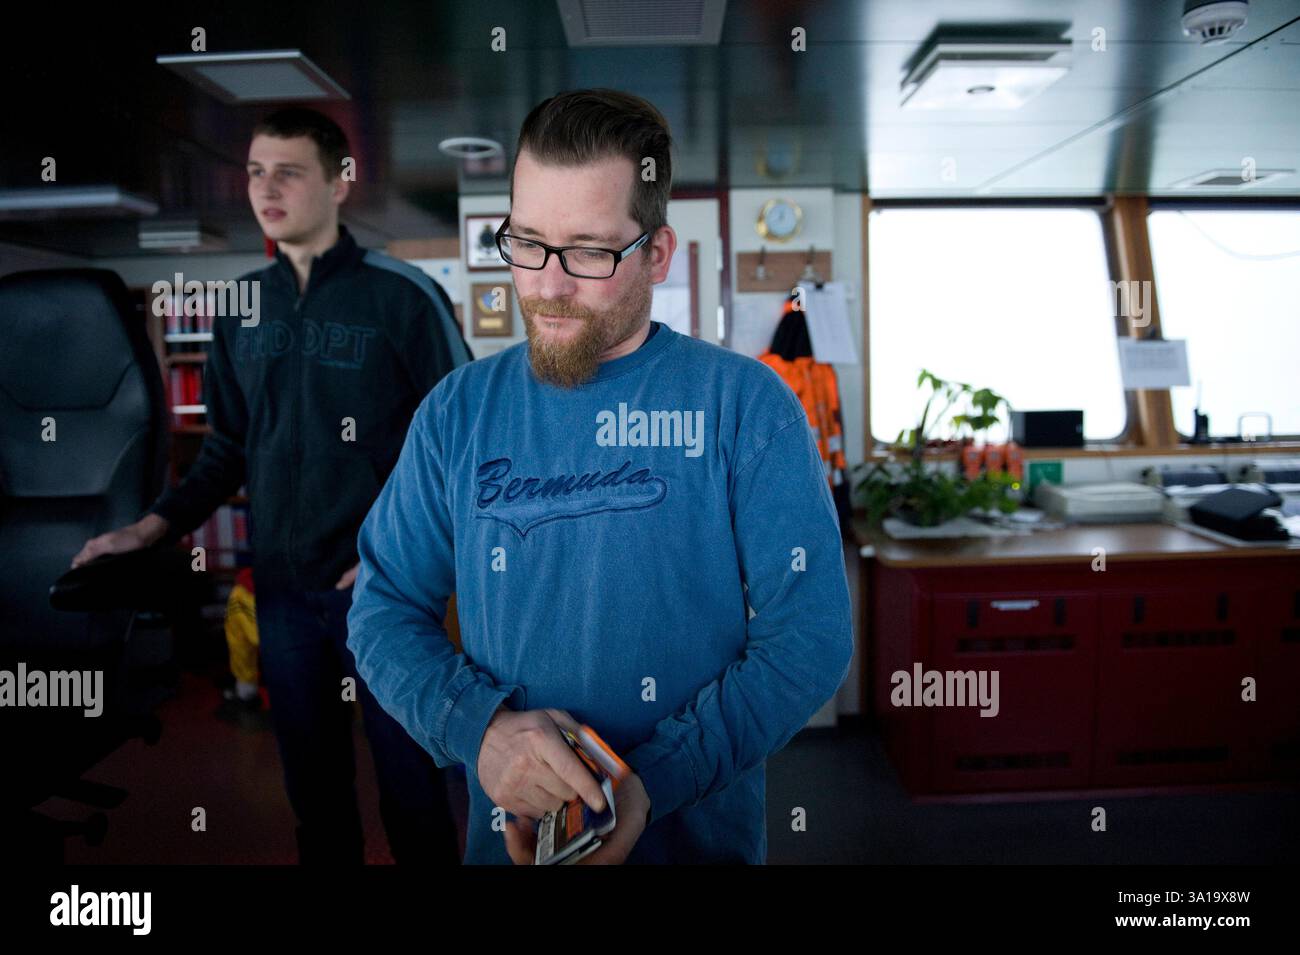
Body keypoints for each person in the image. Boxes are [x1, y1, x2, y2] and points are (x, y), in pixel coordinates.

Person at [346, 88, 854, 864]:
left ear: (656, 253)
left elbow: (811, 635)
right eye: (525, 242)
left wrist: (649, 779)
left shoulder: (745, 406)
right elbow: (382, 606)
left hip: (695, 845)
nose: (548, 286)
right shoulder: (457, 413)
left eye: (587, 251)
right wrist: (476, 731)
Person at [72, 106, 470, 864]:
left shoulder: (403, 294)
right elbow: (227, 448)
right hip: (283, 593)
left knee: (412, 787)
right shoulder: (240, 310)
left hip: (386, 593)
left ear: (340, 183)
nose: (265, 187)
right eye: (255, 171)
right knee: (314, 796)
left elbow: (462, 443)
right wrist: (147, 528)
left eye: (287, 171)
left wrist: (405, 554)